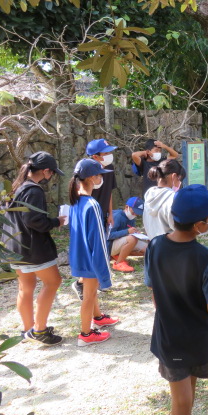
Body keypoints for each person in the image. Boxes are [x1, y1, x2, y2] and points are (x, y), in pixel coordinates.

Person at [145, 185, 208, 415]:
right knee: (182, 401)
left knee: (185, 393)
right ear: (199, 226)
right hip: (196, 337)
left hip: (169, 335)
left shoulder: (154, 246)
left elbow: (153, 288)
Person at [2, 151, 66, 346]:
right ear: (45, 171)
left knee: (26, 286)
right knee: (53, 282)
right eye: (52, 172)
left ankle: (28, 329)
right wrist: (56, 222)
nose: (52, 176)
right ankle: (39, 330)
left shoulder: (17, 186)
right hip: (31, 247)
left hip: (13, 246)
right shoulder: (34, 190)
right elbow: (33, 219)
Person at [68, 158, 119, 346]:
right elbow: (98, 242)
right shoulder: (93, 205)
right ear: (90, 178)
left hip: (79, 256)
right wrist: (104, 273)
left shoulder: (76, 201)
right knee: (88, 296)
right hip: (90, 259)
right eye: (98, 175)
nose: (101, 179)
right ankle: (86, 334)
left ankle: (97, 317)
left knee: (90, 293)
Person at [71, 138, 119, 300]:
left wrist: (110, 213)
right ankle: (82, 282)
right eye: (106, 153)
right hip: (91, 214)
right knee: (90, 250)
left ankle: (95, 281)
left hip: (103, 214)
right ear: (95, 156)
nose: (109, 156)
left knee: (102, 247)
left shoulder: (109, 169)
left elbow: (110, 192)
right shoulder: (86, 171)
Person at [143, 159, 186, 239]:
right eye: (179, 179)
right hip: (171, 247)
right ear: (173, 176)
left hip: (154, 246)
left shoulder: (149, 195)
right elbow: (178, 228)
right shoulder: (173, 198)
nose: (180, 184)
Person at [108, 196, 147, 273]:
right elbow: (108, 235)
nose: (135, 215)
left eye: (137, 214)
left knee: (148, 249)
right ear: (126, 207)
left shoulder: (132, 219)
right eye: (134, 212)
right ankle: (118, 263)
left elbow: (129, 232)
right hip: (109, 245)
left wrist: (135, 232)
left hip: (121, 242)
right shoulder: (117, 216)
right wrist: (127, 232)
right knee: (132, 239)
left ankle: (119, 256)